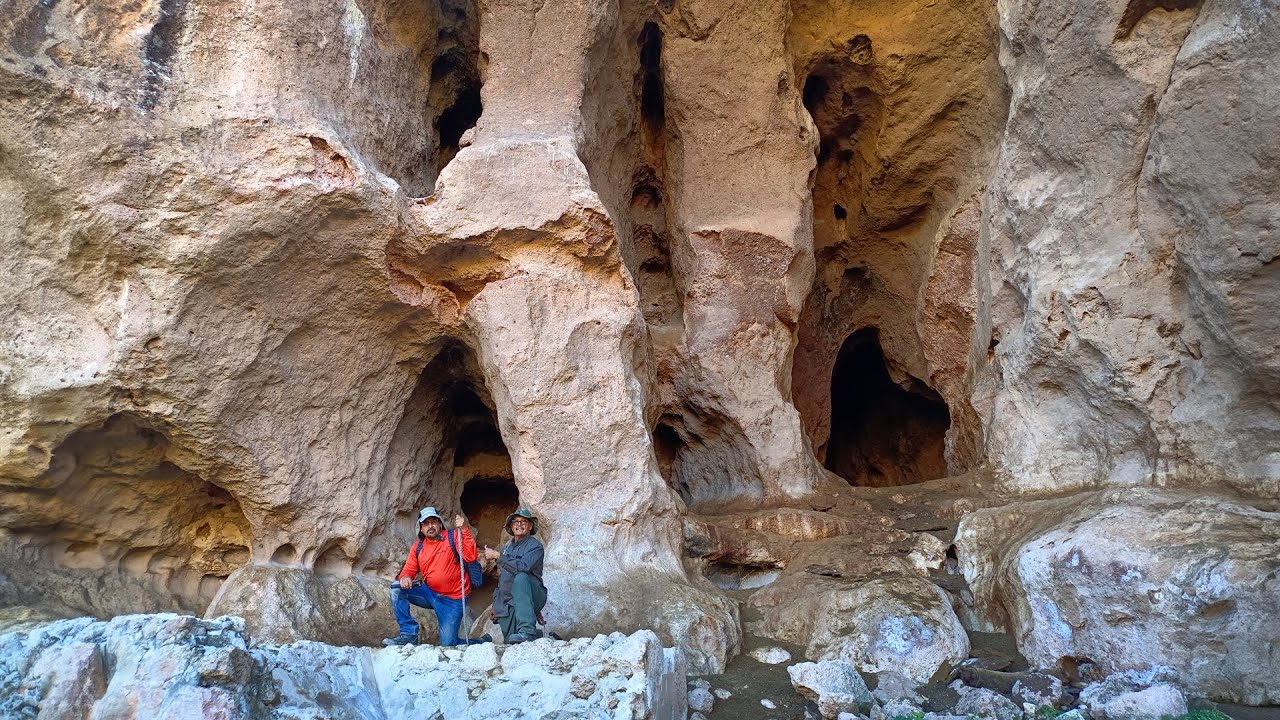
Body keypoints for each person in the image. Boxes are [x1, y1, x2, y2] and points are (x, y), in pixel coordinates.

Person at [383, 506, 478, 647]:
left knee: (448, 644)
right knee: (397, 588)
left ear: (440, 523)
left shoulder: (452, 536)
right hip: (430, 594)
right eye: (426, 524)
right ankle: (409, 634)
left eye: (433, 522)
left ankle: (480, 642)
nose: (430, 526)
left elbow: (471, 556)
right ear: (421, 528)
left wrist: (464, 529)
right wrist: (405, 577)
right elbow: (409, 569)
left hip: (453, 599)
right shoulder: (418, 546)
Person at [483, 507, 547, 644]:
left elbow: (523, 567)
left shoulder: (535, 546)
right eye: (516, 521)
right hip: (511, 601)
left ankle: (528, 631)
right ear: (511, 526)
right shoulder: (507, 548)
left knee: (521, 577)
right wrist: (495, 604)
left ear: (530, 526)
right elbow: (503, 579)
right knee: (511, 641)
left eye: (524, 521)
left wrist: (497, 556)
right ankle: (535, 634)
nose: (519, 524)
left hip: (533, 593)